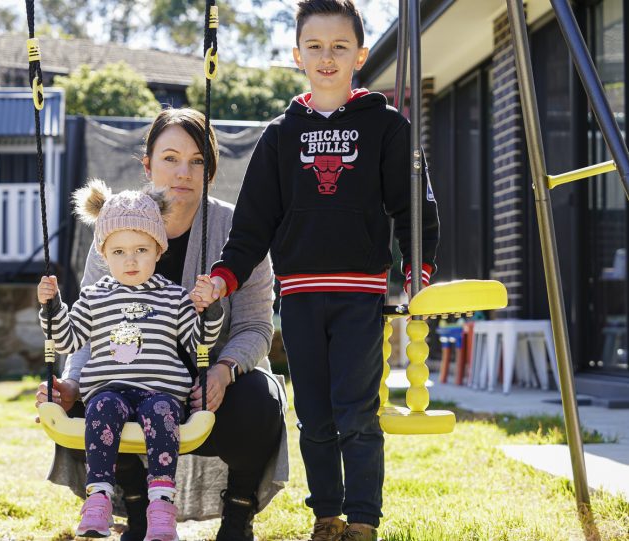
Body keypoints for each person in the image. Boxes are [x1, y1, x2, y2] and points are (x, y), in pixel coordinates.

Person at [195, 2, 440, 540]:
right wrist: (223, 276)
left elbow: (412, 206)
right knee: (314, 415)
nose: (326, 57)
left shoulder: (385, 126)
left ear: (360, 54)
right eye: (315, 46)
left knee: (355, 411)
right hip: (300, 297)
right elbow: (254, 225)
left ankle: (363, 520)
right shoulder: (280, 135)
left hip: (359, 294)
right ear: (296, 55)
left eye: (338, 46)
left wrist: (418, 269)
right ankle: (326, 514)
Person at [35, 108, 287, 541]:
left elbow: (256, 327)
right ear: (147, 164)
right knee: (76, 396)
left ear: (209, 170)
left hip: (209, 378)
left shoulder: (239, 230)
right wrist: (72, 382)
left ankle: (238, 514)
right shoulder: (116, 225)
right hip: (126, 376)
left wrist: (223, 371)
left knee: (260, 400)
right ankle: (134, 508)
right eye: (170, 158)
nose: (183, 172)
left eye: (196, 160)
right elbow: (88, 325)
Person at [38, 180, 225, 540]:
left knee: (161, 414)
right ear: (104, 254)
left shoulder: (174, 297)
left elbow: (200, 340)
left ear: (158, 250)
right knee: (102, 406)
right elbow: (67, 338)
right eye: (119, 252)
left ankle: (161, 505)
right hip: (111, 390)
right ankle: (99, 498)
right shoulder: (93, 298)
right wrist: (53, 306)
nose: (131, 260)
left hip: (161, 393)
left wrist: (209, 307)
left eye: (141, 249)